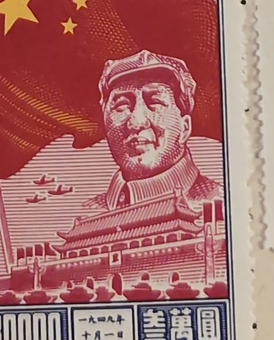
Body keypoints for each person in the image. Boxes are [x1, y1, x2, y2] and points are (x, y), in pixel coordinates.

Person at [75, 50, 221, 219]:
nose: (137, 122)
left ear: (185, 127)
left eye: (155, 102)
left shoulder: (221, 204)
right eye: (121, 106)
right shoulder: (86, 212)